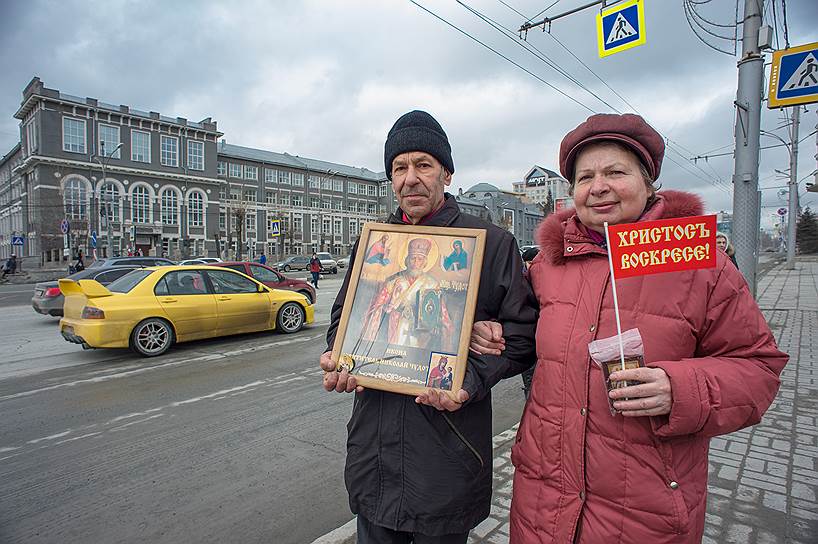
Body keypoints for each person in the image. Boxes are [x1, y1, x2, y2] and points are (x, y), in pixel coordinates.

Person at [470, 113, 788, 543]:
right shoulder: (548, 265)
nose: (597, 186)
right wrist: (492, 334)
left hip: (645, 510)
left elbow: (758, 368)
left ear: (648, 182)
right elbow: (524, 337)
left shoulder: (697, 262)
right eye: (584, 177)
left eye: (615, 172)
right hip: (544, 499)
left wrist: (681, 388)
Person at [320, 110, 537, 543]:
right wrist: (341, 356)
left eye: (423, 165)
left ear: (447, 174)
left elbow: (522, 336)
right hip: (374, 456)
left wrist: (466, 376)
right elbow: (343, 319)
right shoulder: (375, 244)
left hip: (447, 450)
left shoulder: (491, 243)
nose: (410, 178)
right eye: (399, 168)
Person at [360, 237, 453, 350]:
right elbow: (375, 308)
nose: (415, 263)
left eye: (420, 259)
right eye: (413, 258)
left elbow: (442, 316)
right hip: (394, 328)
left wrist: (434, 323)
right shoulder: (393, 281)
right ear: (407, 260)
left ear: (425, 262)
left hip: (421, 335)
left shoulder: (432, 284)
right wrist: (389, 307)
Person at [518, 245, 540, 399]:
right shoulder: (521, 282)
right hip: (528, 339)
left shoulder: (546, 280)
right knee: (530, 380)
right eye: (530, 262)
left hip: (541, 338)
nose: (532, 266)